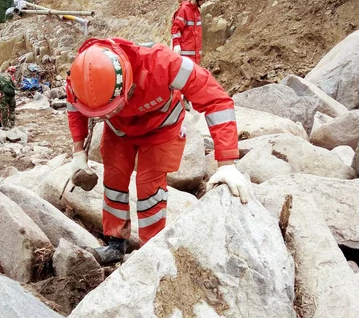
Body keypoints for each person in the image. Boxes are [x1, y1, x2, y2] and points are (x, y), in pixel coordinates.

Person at [66, 37, 249, 264]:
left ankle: (149, 250)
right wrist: (78, 152)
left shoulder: (164, 63)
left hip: (162, 129)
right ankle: (115, 244)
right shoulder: (81, 76)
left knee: (149, 188)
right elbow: (74, 108)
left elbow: (217, 100)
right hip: (119, 130)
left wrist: (227, 163)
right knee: (114, 181)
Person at [171, 0, 212, 65]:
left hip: (195, 58)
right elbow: (176, 29)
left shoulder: (197, 12)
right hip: (185, 57)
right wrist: (176, 45)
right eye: (203, 0)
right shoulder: (184, 10)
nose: (204, 2)